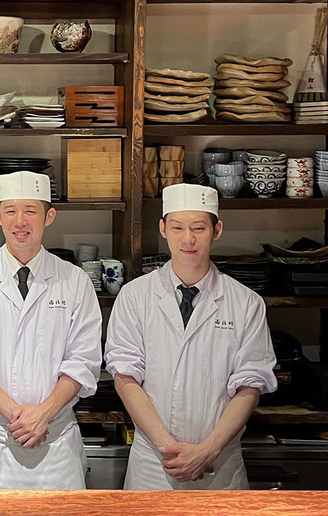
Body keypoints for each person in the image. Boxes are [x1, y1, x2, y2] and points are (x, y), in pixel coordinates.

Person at [104, 183, 277, 490]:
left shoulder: (246, 303)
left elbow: (250, 385)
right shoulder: (134, 296)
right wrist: (166, 447)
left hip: (218, 464)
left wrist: (208, 449)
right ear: (163, 229)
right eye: (177, 227)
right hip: (154, 465)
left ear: (217, 229)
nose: (188, 239)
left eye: (198, 227)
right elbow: (126, 377)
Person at [0, 171, 102, 489]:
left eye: (30, 210)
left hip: (55, 447)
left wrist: (43, 414)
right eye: (11, 210)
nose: (20, 221)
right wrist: (19, 415)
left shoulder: (75, 281)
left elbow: (83, 361)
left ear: (49, 216)